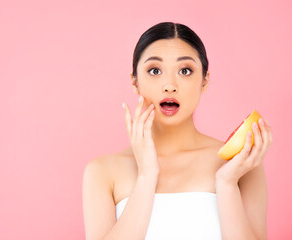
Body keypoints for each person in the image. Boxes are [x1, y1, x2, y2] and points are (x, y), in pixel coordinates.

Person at [82, 21, 272, 240]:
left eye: (185, 70)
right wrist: (146, 176)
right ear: (135, 82)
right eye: (154, 70)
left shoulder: (242, 162)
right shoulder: (102, 171)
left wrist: (227, 184)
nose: (170, 85)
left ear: (205, 80)